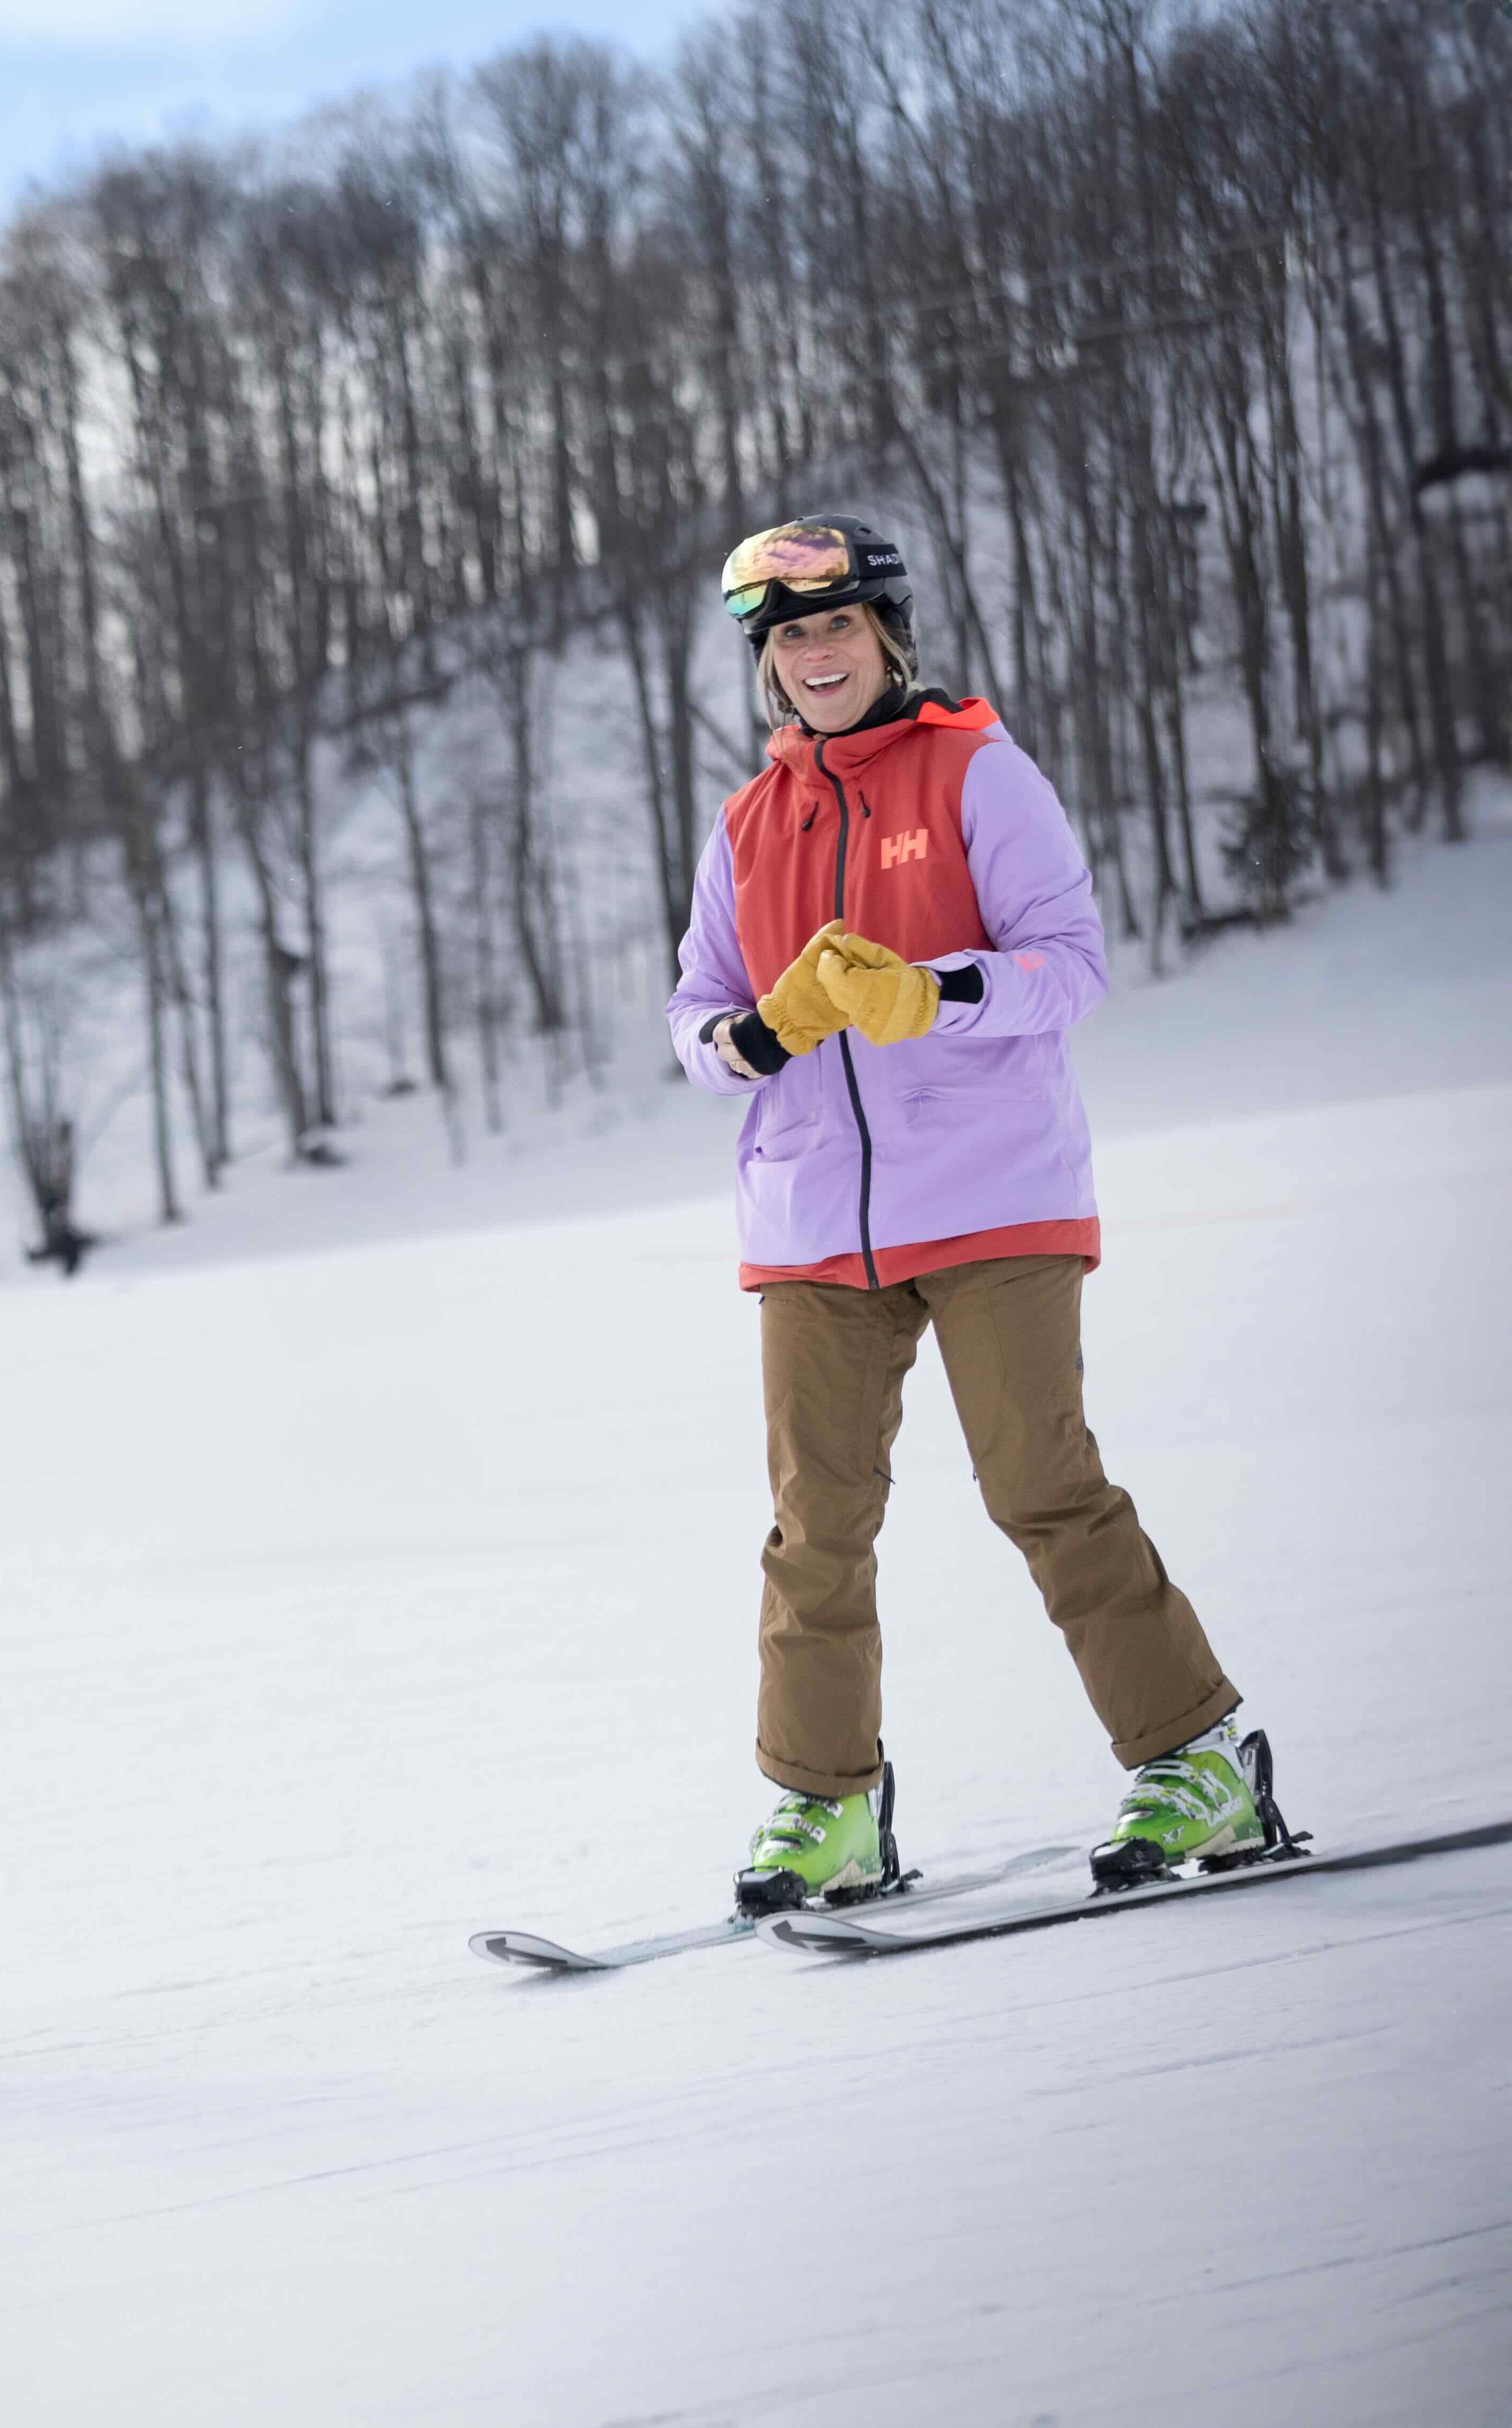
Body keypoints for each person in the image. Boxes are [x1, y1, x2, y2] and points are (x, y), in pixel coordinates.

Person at [666, 514, 1268, 1915]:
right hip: (814, 1217)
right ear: (767, 664)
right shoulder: (748, 823)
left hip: (995, 1201)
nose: (815, 656)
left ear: (885, 636)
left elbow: (1071, 964)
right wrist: (754, 1037)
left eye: (835, 628)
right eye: (789, 638)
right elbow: (695, 1013)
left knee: (1039, 1485)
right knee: (815, 1519)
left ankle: (1199, 1756)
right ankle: (825, 1807)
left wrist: (930, 992)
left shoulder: (976, 773)